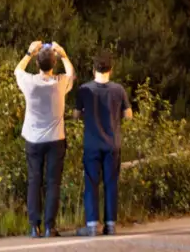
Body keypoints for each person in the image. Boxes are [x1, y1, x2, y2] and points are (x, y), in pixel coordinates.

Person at [15, 39, 75, 238]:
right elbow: (71, 74)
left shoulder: (29, 83)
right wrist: (64, 54)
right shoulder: (60, 83)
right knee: (53, 183)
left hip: (33, 139)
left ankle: (34, 226)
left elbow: (17, 70)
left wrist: (29, 52)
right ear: (54, 64)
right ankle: (50, 226)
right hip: (56, 140)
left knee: (34, 181)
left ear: (37, 64)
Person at [74, 51, 132, 237]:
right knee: (111, 183)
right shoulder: (119, 90)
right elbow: (128, 115)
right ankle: (110, 224)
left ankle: (91, 224)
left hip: (92, 143)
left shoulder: (84, 89)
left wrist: (86, 115)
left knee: (91, 183)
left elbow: (75, 115)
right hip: (112, 144)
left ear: (93, 70)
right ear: (111, 70)